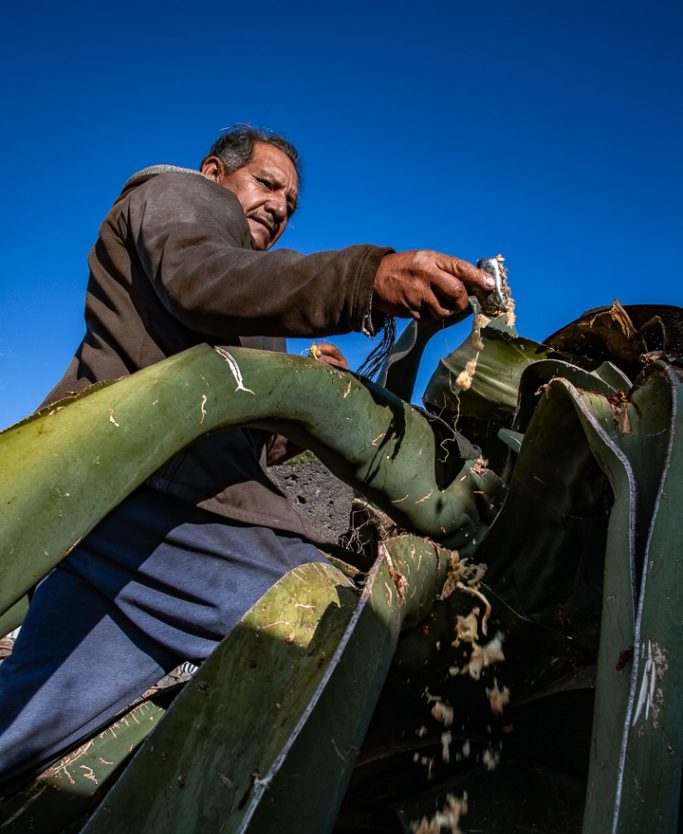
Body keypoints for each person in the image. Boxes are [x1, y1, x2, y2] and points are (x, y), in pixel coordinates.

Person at [0, 125, 496, 794]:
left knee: (20, 732)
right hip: (169, 506)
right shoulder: (181, 198)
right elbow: (202, 279)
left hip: (104, 529)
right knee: (341, 638)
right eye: (267, 185)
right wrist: (364, 278)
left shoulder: (250, 293)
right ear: (215, 171)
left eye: (290, 203)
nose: (278, 207)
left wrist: (313, 401)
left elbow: (252, 438)